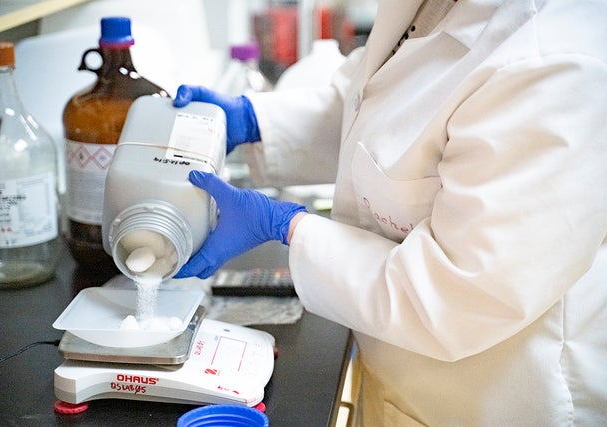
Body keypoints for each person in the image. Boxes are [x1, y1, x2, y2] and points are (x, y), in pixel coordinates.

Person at [174, 0, 607, 425]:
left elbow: (457, 297)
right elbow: (372, 102)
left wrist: (287, 226)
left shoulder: (553, 63)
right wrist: (256, 121)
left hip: (487, 399)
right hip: (396, 371)